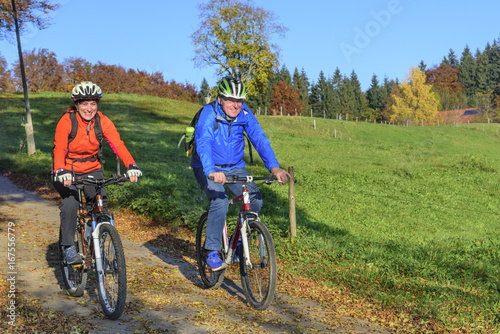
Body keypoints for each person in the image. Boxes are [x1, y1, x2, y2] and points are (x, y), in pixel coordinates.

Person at [192, 76, 291, 271]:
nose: (235, 105)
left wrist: (274, 167)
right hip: (207, 166)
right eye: (231, 100)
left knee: (255, 199)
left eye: (239, 100)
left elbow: (260, 139)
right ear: (220, 99)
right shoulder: (208, 113)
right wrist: (211, 170)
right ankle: (211, 250)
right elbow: (203, 141)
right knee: (219, 201)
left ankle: (239, 244)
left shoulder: (244, 114)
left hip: (235, 166)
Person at [53, 81, 142, 264]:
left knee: (101, 205)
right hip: (67, 170)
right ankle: (69, 247)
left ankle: (95, 235)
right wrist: (60, 170)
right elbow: (59, 148)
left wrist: (131, 164)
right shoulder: (67, 120)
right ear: (77, 104)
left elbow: (117, 144)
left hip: (92, 168)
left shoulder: (102, 121)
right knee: (70, 203)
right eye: (84, 103)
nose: (89, 108)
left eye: (93, 103)